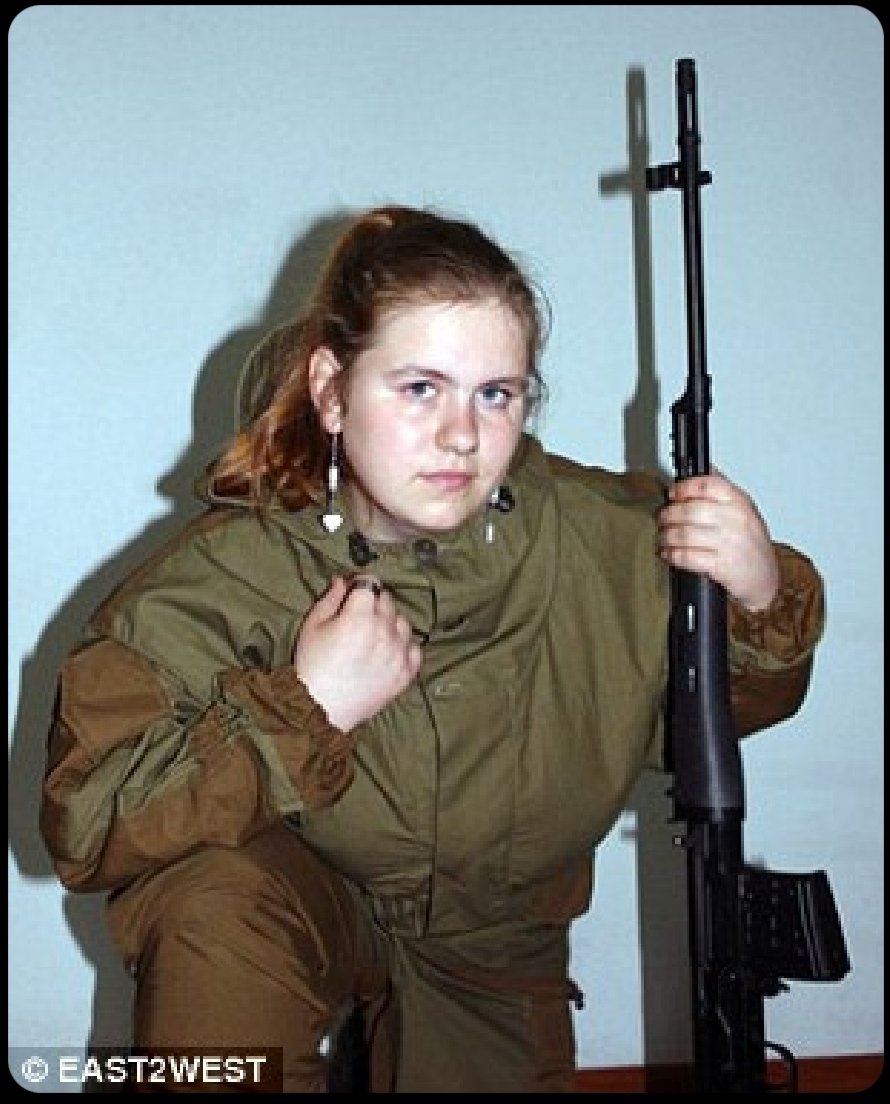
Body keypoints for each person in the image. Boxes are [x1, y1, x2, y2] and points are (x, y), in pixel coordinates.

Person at [40, 204, 824, 1093]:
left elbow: (703, 723)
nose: (462, 435)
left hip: (493, 940)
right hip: (294, 892)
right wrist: (302, 711)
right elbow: (89, 821)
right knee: (212, 907)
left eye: (496, 394)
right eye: (421, 388)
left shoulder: (606, 540)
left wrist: (758, 601)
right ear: (332, 390)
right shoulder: (229, 575)